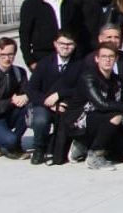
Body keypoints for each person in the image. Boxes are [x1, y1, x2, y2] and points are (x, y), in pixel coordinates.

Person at [79, 42, 123, 170]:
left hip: (104, 118)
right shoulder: (89, 77)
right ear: (97, 59)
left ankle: (89, 147)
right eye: (103, 56)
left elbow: (119, 106)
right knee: (115, 117)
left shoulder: (116, 80)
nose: (107, 60)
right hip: (81, 118)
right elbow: (102, 104)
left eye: (111, 56)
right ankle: (94, 155)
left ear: (116, 59)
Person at [24, 30, 78, 164]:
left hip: (68, 103)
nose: (65, 47)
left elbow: (82, 88)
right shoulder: (44, 63)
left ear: (75, 45)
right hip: (44, 103)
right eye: (62, 43)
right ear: (55, 44)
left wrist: (60, 95)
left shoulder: (79, 63)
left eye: (69, 44)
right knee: (41, 120)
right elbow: (31, 89)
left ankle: (63, 146)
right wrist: (48, 102)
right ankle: (39, 148)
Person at [19, 0, 66, 68]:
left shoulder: (68, 2)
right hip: (43, 58)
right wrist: (30, 61)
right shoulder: (31, 4)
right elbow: (24, 35)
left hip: (68, 57)